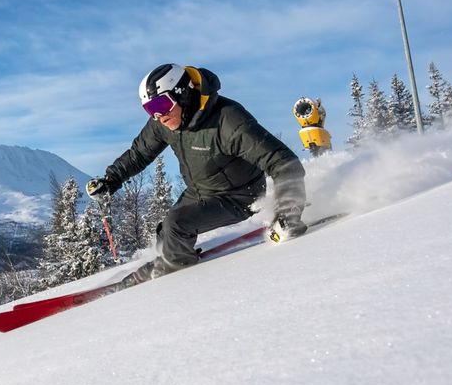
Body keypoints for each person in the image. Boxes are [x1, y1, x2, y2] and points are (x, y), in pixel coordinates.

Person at [86, 63, 309, 277]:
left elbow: (283, 161)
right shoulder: (164, 122)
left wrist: (287, 212)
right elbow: (139, 154)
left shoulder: (227, 120)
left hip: (239, 196)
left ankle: (168, 275)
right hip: (200, 190)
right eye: (149, 109)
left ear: (183, 93)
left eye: (160, 105)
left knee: (176, 225)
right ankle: (170, 259)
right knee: (166, 235)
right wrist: (111, 180)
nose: (157, 116)